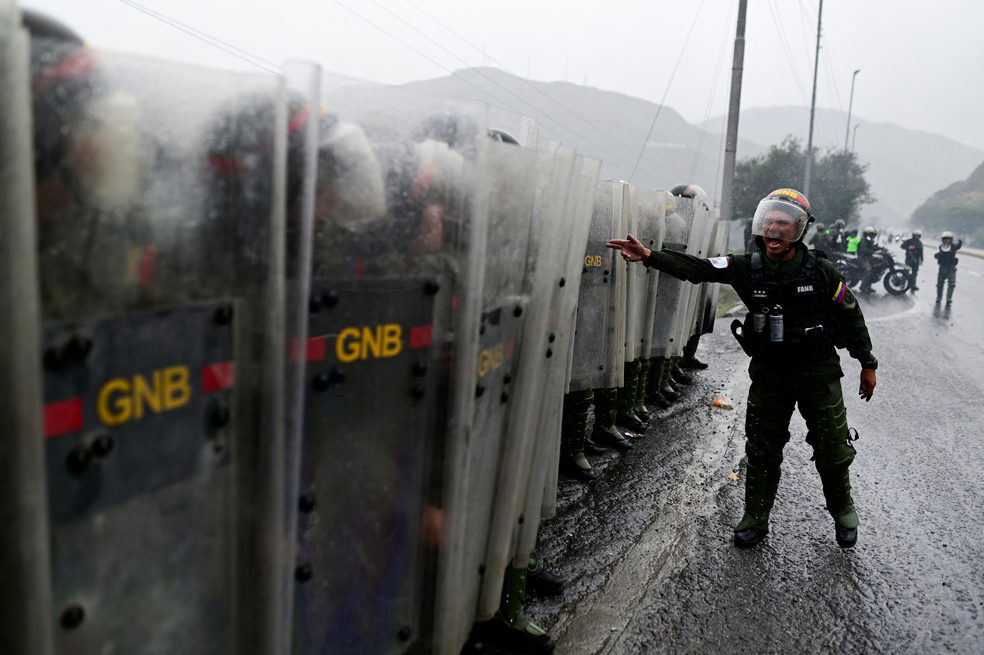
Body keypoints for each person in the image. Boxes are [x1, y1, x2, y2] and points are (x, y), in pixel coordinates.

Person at [607, 188, 877, 549]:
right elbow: (699, 269)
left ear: (799, 229)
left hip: (820, 375)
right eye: (769, 222)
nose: (774, 230)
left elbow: (851, 314)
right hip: (770, 375)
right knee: (763, 449)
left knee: (832, 449)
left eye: (783, 223)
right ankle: (755, 517)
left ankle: (843, 510)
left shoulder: (821, 271)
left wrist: (867, 363)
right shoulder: (746, 268)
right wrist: (649, 256)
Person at [934, 231, 962, 310]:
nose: (947, 241)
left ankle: (949, 299)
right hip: (942, 268)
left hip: (951, 268)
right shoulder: (940, 247)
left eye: (948, 239)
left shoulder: (953, 247)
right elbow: (935, 256)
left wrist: (960, 241)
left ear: (951, 240)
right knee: (940, 284)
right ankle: (939, 297)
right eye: (945, 239)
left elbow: (958, 246)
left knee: (952, 284)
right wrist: (941, 252)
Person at [856, 226, 879, 294]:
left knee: (873, 270)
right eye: (871, 234)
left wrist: (882, 249)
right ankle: (862, 287)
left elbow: (873, 247)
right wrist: (873, 252)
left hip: (867, 258)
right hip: (862, 258)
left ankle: (868, 286)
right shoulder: (864, 240)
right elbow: (864, 250)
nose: (873, 235)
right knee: (868, 270)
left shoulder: (869, 240)